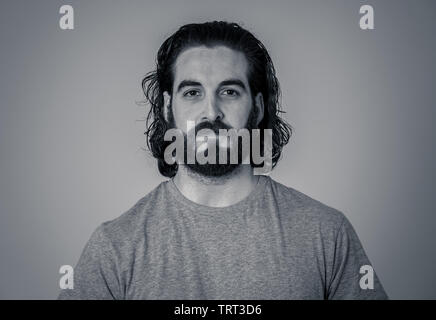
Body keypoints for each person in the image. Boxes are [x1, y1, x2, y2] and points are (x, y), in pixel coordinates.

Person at [58, 21, 388, 300]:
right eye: (192, 93)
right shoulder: (115, 246)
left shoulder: (326, 234)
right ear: (166, 107)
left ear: (257, 108)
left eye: (229, 92)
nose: (212, 111)